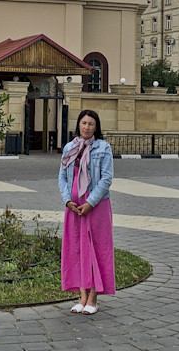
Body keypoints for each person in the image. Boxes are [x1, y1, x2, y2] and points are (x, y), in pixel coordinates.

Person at [58, 108, 115, 314]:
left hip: (95, 207)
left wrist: (90, 202)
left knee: (95, 250)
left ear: (96, 127)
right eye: (84, 123)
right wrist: (67, 201)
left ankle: (93, 298)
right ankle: (81, 296)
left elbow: (107, 178)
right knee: (77, 249)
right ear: (78, 125)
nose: (87, 127)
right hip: (74, 208)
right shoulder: (69, 148)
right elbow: (62, 177)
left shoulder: (103, 148)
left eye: (91, 124)